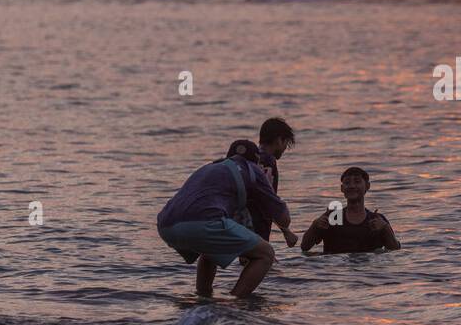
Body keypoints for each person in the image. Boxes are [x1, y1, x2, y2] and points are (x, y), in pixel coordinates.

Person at [157, 140, 291, 298]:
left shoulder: (210, 167)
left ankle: (203, 298)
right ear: (255, 160)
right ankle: (235, 304)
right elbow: (283, 218)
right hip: (200, 222)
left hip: (165, 224)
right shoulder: (253, 169)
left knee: (211, 248)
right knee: (266, 254)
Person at [300, 167, 400, 254]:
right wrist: (315, 225)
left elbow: (395, 250)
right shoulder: (333, 218)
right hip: (336, 272)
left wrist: (385, 229)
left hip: (368, 273)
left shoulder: (376, 220)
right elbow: (305, 247)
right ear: (342, 188)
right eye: (347, 183)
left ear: (367, 186)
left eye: (357, 181)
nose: (352, 186)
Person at [257, 117, 298, 248]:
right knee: (262, 259)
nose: (285, 148)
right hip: (257, 223)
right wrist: (285, 227)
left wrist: (285, 231)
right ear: (279, 140)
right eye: (286, 143)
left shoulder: (251, 157)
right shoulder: (268, 161)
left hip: (243, 221)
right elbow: (266, 198)